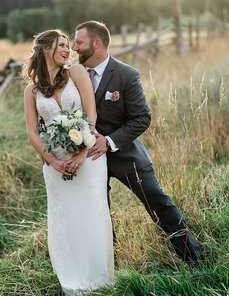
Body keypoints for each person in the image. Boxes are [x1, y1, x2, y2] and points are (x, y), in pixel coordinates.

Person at [73, 21, 202, 266]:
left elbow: (143, 118)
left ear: (97, 43)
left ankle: (194, 260)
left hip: (125, 155)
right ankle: (108, 269)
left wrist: (109, 141)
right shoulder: (72, 76)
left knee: (158, 202)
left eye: (79, 42)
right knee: (98, 215)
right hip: (88, 159)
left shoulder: (126, 74)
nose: (75, 48)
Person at [23, 29, 114, 296]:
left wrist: (82, 153)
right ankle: (73, 282)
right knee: (65, 219)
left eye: (68, 45)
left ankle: (99, 281)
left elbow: (91, 113)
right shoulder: (32, 90)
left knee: (91, 214)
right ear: (45, 49)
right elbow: (32, 132)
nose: (68, 49)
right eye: (61, 45)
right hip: (56, 165)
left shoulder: (77, 73)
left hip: (87, 160)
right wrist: (52, 161)